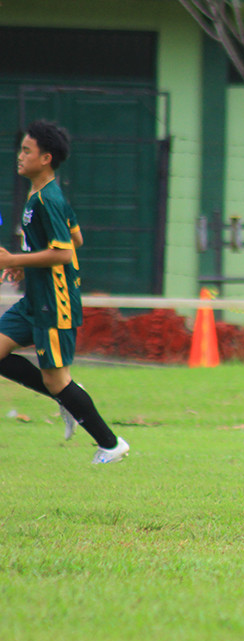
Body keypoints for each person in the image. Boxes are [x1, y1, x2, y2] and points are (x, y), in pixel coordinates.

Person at [0, 120, 129, 463]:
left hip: (54, 304)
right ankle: (68, 397)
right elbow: (77, 236)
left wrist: (15, 258)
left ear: (46, 158)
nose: (20, 156)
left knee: (57, 381)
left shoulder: (48, 200)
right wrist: (22, 262)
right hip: (35, 301)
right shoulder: (39, 195)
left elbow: (65, 252)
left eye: (27, 150)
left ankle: (111, 444)